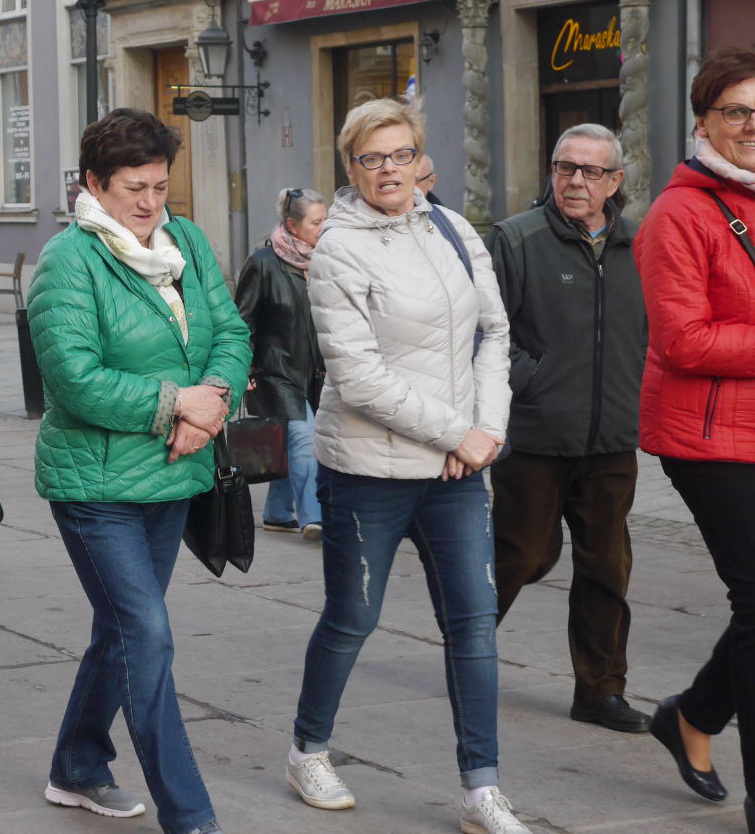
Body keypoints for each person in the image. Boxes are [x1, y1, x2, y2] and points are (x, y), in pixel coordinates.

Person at [287, 98, 531, 834]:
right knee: (352, 617)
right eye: (372, 158)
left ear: (420, 158)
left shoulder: (452, 228)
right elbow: (357, 377)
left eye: (400, 155)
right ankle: (308, 749)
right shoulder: (338, 249)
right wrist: (458, 432)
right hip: (371, 471)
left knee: (474, 623)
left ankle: (482, 789)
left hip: (457, 471)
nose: (388, 170)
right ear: (351, 167)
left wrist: (487, 431)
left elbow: (494, 331)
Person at [28, 108, 251, 834]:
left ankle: (77, 763)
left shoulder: (186, 240)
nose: (151, 202)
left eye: (159, 185)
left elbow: (230, 331)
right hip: (95, 485)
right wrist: (174, 404)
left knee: (122, 631)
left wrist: (210, 402)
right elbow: (74, 380)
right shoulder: (70, 260)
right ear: (95, 184)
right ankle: (191, 815)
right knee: (146, 635)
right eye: (134, 188)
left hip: (173, 476)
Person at [486, 124, 650, 733]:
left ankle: (601, 691)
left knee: (608, 566)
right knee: (522, 555)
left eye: (590, 171)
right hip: (536, 435)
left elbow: (657, 329)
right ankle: (466, 650)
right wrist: (531, 380)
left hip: (613, 438)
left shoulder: (641, 244)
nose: (575, 180)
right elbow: (485, 332)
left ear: (614, 180)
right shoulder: (517, 239)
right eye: (564, 167)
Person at [636, 45, 755, 832]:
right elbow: (684, 340)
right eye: (736, 111)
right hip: (706, 437)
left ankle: (692, 715)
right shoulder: (678, 213)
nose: (751, 126)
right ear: (703, 121)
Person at [234, 186, 326, 541]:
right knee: (304, 438)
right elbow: (242, 321)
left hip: (316, 372)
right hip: (275, 372)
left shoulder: (324, 261)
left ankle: (277, 512)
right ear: (292, 225)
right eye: (316, 222)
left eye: (325, 220)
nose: (323, 227)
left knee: (289, 442)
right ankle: (314, 518)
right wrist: (242, 369)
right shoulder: (263, 263)